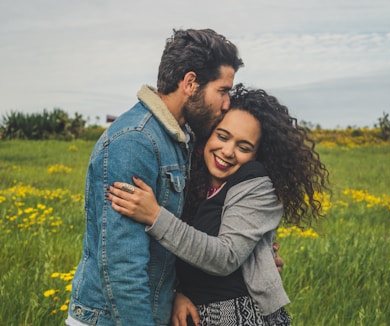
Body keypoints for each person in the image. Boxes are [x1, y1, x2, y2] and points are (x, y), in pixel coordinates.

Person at [107, 84, 330, 325]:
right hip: (191, 314)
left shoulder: (257, 184)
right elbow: (173, 253)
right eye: (222, 136)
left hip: (241, 316)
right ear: (208, 134)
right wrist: (174, 294)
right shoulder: (187, 180)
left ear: (257, 155)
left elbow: (224, 257)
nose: (228, 151)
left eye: (244, 147)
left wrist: (154, 216)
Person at [66, 28, 244, 326]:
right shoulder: (136, 141)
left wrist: (174, 292)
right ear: (190, 82)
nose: (226, 103)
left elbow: (162, 243)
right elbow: (123, 266)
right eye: (223, 91)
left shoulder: (177, 136)